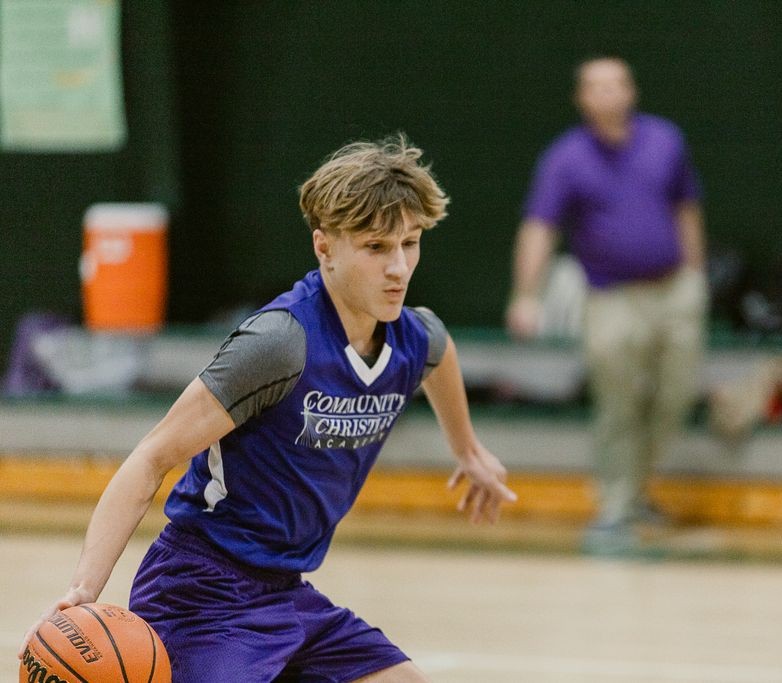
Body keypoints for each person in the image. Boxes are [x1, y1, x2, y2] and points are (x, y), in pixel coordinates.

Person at [21, 136, 517, 682]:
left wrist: (467, 450)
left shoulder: (412, 338)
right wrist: (83, 592)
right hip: (203, 590)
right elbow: (151, 457)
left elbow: (441, 354)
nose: (399, 267)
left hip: (288, 593)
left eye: (411, 243)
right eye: (376, 247)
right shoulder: (281, 343)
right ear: (324, 247)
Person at [506, 56, 707, 548]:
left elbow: (686, 206)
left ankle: (637, 491)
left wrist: (696, 274)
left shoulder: (666, 141)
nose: (608, 94)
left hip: (674, 290)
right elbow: (540, 227)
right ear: (581, 99)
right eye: (596, 86)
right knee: (617, 402)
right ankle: (616, 508)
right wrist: (525, 296)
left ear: (631, 91)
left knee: (675, 396)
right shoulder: (566, 158)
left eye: (617, 84)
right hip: (610, 297)